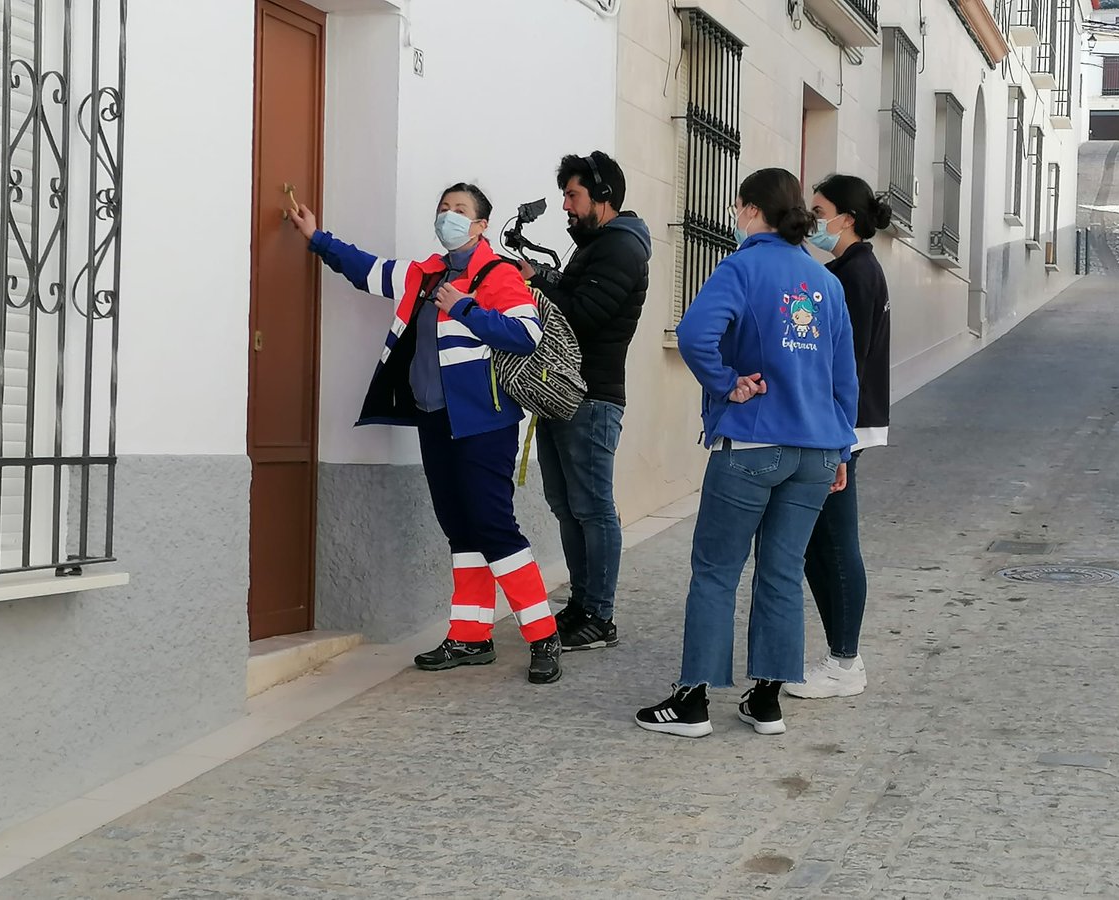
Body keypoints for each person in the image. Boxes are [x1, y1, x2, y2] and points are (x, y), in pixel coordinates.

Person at [287, 184, 563, 684]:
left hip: (485, 422)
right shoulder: (425, 273)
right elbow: (368, 269)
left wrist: (463, 308)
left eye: (460, 211)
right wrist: (317, 237)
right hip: (436, 419)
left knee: (494, 527)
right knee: (460, 528)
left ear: (480, 225)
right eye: (443, 209)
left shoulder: (496, 274)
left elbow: (526, 334)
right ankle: (470, 637)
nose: (448, 216)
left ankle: (543, 635)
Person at [635, 168, 858, 738]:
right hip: (814, 452)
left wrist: (727, 381)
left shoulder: (741, 267)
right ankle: (766, 700)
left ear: (754, 209)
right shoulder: (825, 282)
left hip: (753, 444)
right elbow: (843, 380)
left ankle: (692, 703)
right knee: (781, 571)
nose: (735, 215)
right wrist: (841, 453)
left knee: (715, 571)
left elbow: (692, 335)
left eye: (739, 207)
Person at [517, 152, 651, 652]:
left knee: (593, 508)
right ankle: (581, 603)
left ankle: (601, 615)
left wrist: (532, 290)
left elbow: (582, 317)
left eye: (573, 196)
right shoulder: (596, 246)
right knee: (567, 506)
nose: (566, 207)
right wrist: (544, 277)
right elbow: (573, 295)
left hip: (591, 398)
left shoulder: (620, 249)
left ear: (602, 196)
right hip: (564, 394)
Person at [787, 174, 892, 700]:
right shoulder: (851, 269)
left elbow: (843, 362)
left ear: (846, 218)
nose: (813, 219)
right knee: (815, 545)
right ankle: (840, 654)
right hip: (840, 425)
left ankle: (845, 661)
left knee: (833, 542)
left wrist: (833, 437)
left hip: (838, 428)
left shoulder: (854, 275)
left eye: (820, 209)